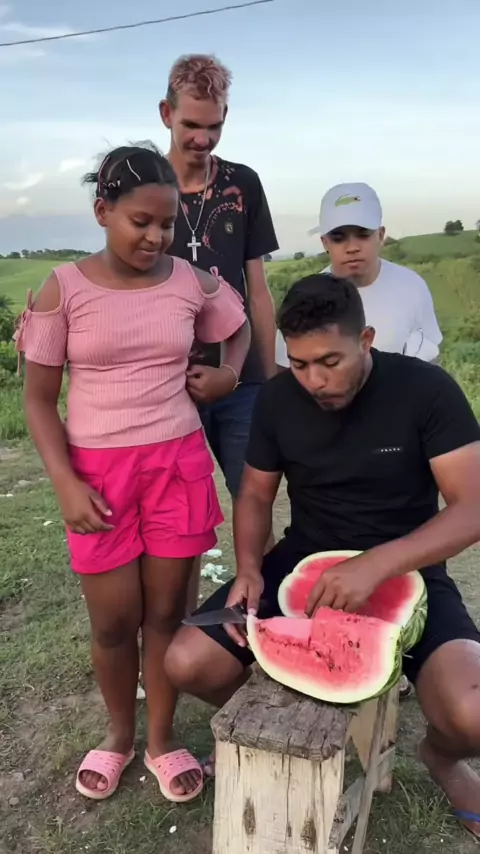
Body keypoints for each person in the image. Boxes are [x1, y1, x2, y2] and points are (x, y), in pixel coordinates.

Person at [165, 273, 480, 837]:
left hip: (408, 570)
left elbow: (473, 507)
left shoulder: (426, 390)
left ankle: (440, 758)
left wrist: (378, 564)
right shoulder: (278, 399)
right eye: (300, 363)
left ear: (366, 339)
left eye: (330, 361)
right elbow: (255, 494)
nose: (314, 380)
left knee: (472, 715)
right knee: (188, 663)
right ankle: (279, 728)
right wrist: (250, 568)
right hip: (303, 560)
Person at [16, 143, 250, 804]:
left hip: (176, 466)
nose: (155, 236)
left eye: (166, 223)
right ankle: (119, 734)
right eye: (139, 221)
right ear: (102, 212)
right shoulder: (64, 288)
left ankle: (161, 739)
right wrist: (65, 484)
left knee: (167, 615)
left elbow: (235, 323)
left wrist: (229, 374)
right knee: (114, 623)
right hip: (98, 477)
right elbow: (38, 401)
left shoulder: (188, 281)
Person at [160, 53, 279, 608]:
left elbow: (258, 289)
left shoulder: (243, 184)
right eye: (191, 124)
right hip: (166, 379)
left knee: (254, 497)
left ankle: (266, 617)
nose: (203, 138)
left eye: (215, 125)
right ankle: (177, 631)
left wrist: (266, 378)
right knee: (177, 519)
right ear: (166, 114)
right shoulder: (145, 184)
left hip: (241, 378)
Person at [275, 182, 442, 369]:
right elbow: (285, 371)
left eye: (363, 235)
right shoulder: (305, 299)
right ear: (325, 243)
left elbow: (431, 365)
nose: (352, 247)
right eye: (339, 238)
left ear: (381, 236)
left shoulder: (412, 287)